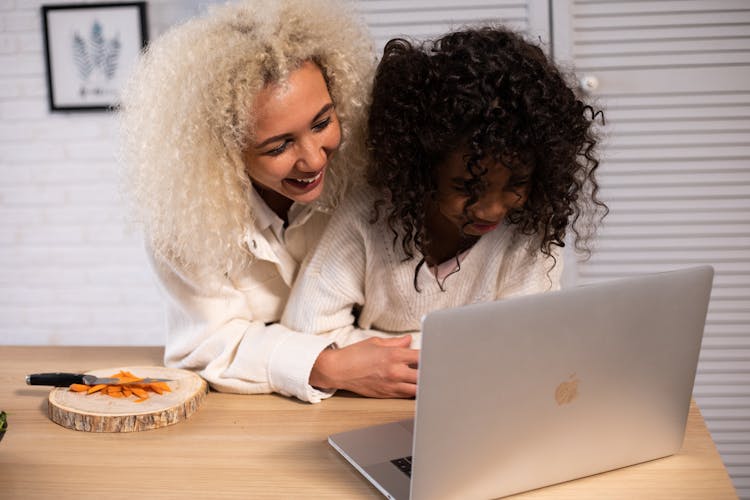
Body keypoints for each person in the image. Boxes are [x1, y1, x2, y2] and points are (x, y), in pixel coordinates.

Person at [282, 26, 609, 398]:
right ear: (422, 169)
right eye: (467, 187)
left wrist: (381, 353)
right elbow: (305, 332)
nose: (492, 207)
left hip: (481, 406)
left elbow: (524, 346)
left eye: (516, 184)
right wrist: (464, 352)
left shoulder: (527, 234)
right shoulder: (366, 216)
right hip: (366, 409)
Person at [118, 0, 396, 403]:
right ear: (225, 149)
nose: (315, 158)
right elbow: (204, 344)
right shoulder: (184, 221)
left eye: (322, 123)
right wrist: (325, 366)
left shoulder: (363, 178)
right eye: (279, 145)